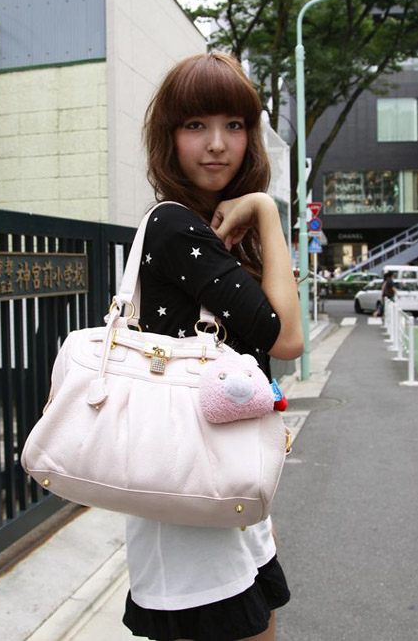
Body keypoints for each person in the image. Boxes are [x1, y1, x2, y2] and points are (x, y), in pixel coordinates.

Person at [122, 52, 304, 641]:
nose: (217, 144)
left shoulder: (208, 228)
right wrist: (267, 212)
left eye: (234, 125)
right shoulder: (175, 227)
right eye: (195, 125)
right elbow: (289, 338)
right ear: (168, 136)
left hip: (225, 477)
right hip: (190, 490)